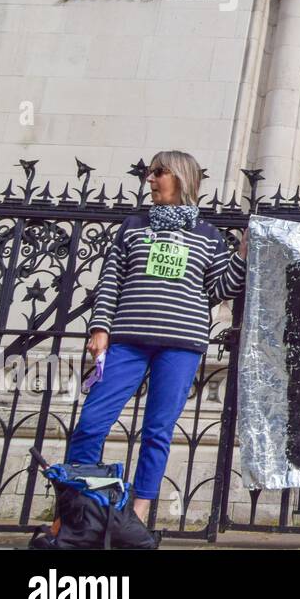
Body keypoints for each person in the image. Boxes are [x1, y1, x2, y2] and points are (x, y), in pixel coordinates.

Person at [66, 150, 247, 524]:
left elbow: (218, 288)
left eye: (159, 172)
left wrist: (242, 255)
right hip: (127, 340)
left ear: (181, 178)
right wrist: (100, 328)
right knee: (92, 422)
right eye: (150, 172)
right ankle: (78, 509)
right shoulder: (133, 226)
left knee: (157, 432)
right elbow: (111, 281)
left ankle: (136, 515)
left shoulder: (208, 236)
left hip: (180, 346)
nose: (150, 179)